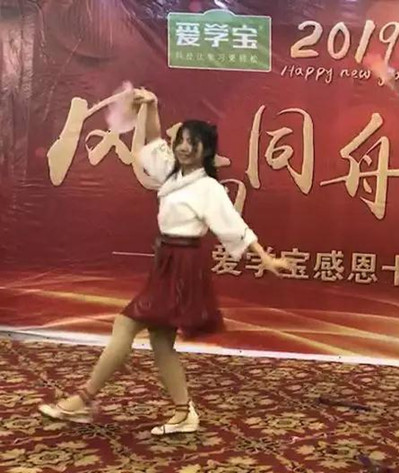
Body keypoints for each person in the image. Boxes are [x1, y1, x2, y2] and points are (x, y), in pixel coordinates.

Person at [38, 88, 293, 435]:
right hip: (167, 262)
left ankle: (83, 400)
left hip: (183, 265)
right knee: (160, 342)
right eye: (181, 141)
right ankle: (183, 412)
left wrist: (266, 259)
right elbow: (154, 141)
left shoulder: (209, 189)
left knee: (126, 324)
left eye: (192, 142)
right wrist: (153, 105)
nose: (184, 147)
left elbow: (236, 227)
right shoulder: (172, 175)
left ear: (206, 150)